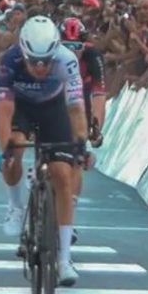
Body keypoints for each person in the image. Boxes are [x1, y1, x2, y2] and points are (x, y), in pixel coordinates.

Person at [0, 15, 87, 286]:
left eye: (45, 61)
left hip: (54, 109)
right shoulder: (9, 62)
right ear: (23, 52)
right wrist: (7, 149)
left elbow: (76, 109)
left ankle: (64, 259)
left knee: (62, 174)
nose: (40, 67)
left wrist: (80, 142)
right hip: (21, 108)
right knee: (14, 154)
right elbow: (3, 113)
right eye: (33, 61)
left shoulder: (67, 60)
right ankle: (15, 206)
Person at [58, 17, 106, 238]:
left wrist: (96, 128)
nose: (72, 52)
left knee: (77, 157)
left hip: (81, 100)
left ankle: (69, 213)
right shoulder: (49, 56)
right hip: (53, 98)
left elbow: (98, 96)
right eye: (66, 47)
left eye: (76, 47)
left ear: (84, 45)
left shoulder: (92, 56)